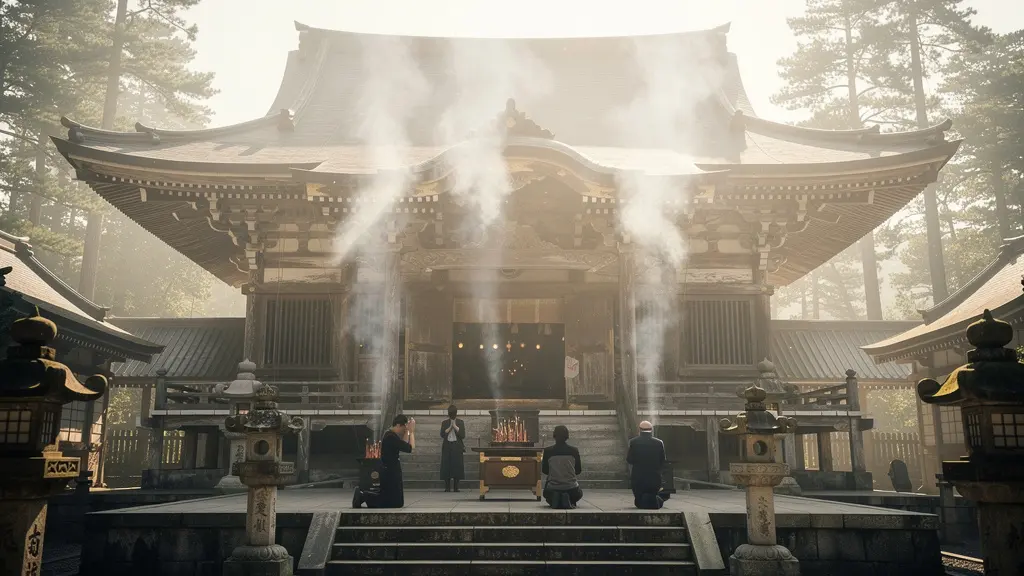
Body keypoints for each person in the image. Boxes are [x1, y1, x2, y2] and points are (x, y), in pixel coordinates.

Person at [354, 414, 415, 509]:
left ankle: (363, 495)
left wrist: (407, 431)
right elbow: (410, 448)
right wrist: (411, 432)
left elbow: (403, 445)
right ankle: (362, 495)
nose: (404, 430)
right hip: (390, 472)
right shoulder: (390, 437)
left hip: (391, 470)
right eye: (404, 428)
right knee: (391, 502)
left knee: (397, 501)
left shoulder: (391, 435)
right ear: (398, 425)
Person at [627, 420, 669, 509]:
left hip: (638, 477)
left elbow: (629, 459)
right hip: (654, 477)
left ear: (639, 429)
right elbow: (663, 460)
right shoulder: (659, 442)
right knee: (652, 495)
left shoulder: (633, 442)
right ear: (651, 429)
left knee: (639, 499)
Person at [542, 425, 583, 509]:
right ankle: (569, 499)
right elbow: (578, 470)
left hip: (553, 488)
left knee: (546, 492)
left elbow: (545, 470)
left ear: (554, 436)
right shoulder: (574, 451)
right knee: (579, 493)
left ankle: (555, 497)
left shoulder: (548, 451)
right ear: (567, 436)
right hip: (572, 489)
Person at [440, 405, 466, 492]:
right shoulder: (444, 423)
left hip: (457, 446)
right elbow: (442, 434)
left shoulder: (460, 422)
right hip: (447, 445)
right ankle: (447, 487)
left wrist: (454, 426)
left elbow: (462, 435)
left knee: (457, 465)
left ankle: (456, 486)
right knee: (446, 466)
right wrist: (450, 427)